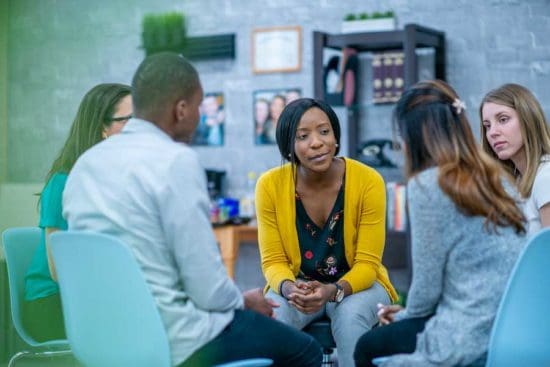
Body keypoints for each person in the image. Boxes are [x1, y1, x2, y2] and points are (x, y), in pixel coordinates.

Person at [62, 52, 321, 367]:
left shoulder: (85, 165)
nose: (199, 115)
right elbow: (207, 290)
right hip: (173, 338)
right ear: (181, 110)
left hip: (99, 336)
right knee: (306, 350)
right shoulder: (175, 161)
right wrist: (243, 301)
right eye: (199, 105)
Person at [353, 80, 526, 367]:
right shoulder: (498, 177)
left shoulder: (429, 185)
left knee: (368, 346)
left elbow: (426, 291)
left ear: (416, 137)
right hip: (513, 328)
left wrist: (401, 315)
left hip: (468, 334)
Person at [256, 97, 398, 367]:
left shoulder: (368, 182)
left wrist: (332, 291)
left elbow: (367, 265)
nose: (317, 142)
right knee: (272, 320)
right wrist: (288, 289)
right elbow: (273, 261)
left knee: (350, 317)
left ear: (335, 136)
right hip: (298, 285)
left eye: (324, 131)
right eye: (303, 136)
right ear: (289, 146)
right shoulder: (269, 186)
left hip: (356, 286)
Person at [23, 83, 132, 342]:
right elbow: (58, 271)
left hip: (89, 299)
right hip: (52, 303)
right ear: (102, 128)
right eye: (128, 120)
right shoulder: (63, 183)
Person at [480, 83, 550, 236]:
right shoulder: (515, 181)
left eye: (503, 119)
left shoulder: (546, 177)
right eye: (487, 126)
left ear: (528, 118)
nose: (492, 132)